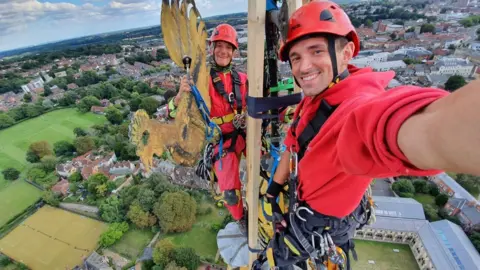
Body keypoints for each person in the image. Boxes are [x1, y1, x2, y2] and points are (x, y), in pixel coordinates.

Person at [263, 0, 480, 268]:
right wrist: (273, 191)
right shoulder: (318, 95)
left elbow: (402, 125)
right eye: (296, 57)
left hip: (321, 224)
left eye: (316, 51)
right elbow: (293, 145)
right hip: (311, 206)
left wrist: (444, 130)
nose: (303, 67)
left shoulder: (358, 106)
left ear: (347, 52)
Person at [167, 23, 248, 225]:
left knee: (270, 170)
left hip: (246, 134)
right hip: (222, 141)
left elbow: (257, 104)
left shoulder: (243, 79)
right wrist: (179, 96)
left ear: (234, 51)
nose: (223, 51)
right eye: (218, 45)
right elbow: (172, 113)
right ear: (212, 48)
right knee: (229, 191)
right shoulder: (201, 82)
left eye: (228, 47)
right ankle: (241, 220)